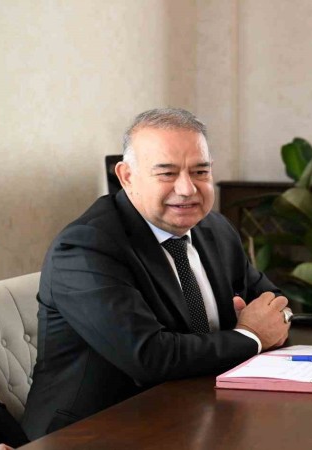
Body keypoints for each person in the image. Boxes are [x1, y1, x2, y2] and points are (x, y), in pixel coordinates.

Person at [21, 108, 292, 439]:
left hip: (198, 412)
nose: (188, 189)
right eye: (167, 173)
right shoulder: (86, 246)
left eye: (200, 172)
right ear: (127, 176)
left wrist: (275, 319)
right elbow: (149, 357)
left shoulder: (214, 228)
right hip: (96, 430)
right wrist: (251, 335)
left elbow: (273, 301)